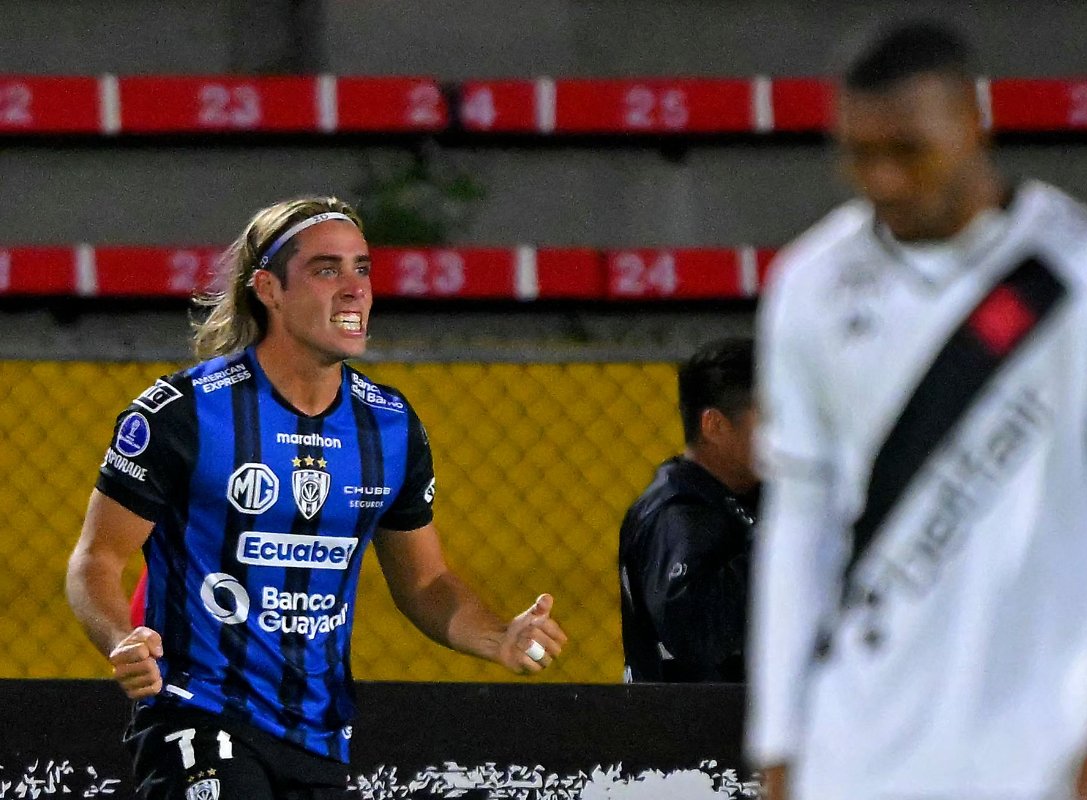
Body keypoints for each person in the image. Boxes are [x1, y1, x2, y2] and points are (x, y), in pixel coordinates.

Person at [745, 21, 1087, 800]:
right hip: (862, 737)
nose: (884, 179)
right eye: (859, 154)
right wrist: (780, 738)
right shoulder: (811, 286)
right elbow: (801, 527)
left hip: (1043, 736)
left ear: (972, 125)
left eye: (908, 150)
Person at [65, 196, 568, 800]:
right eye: (327, 270)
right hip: (196, 717)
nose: (354, 288)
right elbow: (94, 561)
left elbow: (426, 583)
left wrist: (498, 636)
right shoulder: (183, 413)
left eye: (362, 268)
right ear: (268, 289)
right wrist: (120, 636)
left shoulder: (390, 425)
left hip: (320, 735)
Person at [618, 337, 759, 682]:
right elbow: (697, 635)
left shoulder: (751, 494)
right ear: (715, 425)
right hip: (686, 730)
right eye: (771, 417)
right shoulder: (676, 514)